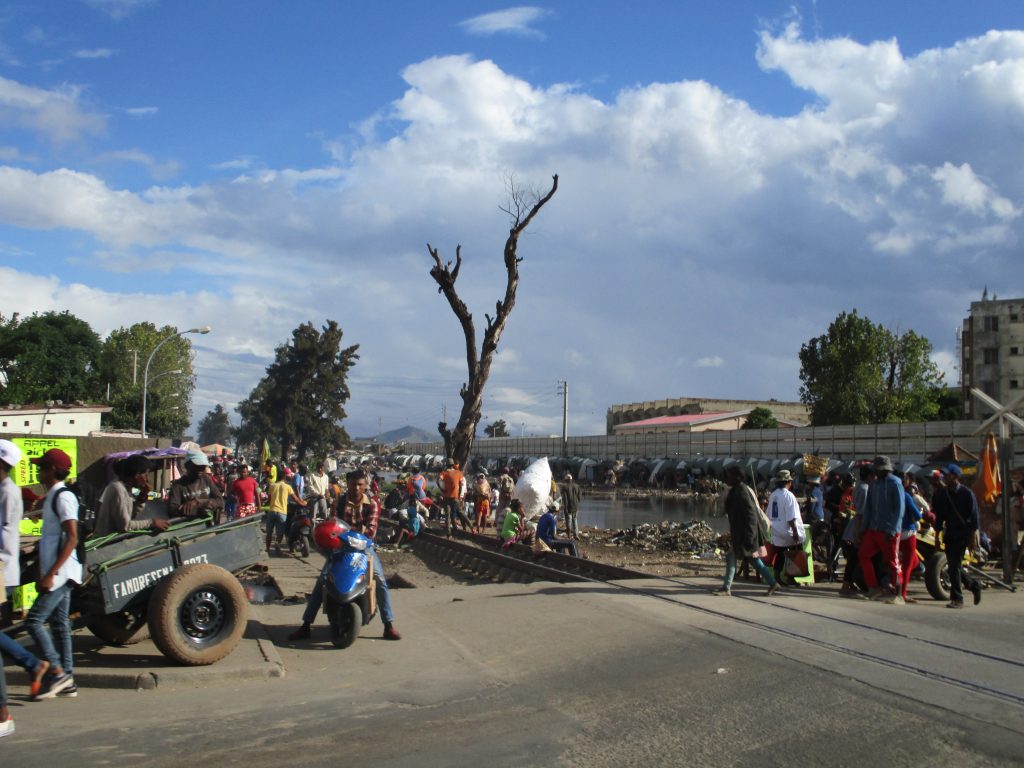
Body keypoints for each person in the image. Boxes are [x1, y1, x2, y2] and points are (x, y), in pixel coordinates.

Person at [289, 469, 400, 641]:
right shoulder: (339, 502)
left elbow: (370, 531)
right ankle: (305, 625)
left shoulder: (372, 504)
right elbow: (333, 525)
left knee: (380, 580)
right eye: (353, 484)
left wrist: (350, 532)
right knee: (323, 580)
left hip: (364, 549)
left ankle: (389, 625)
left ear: (365, 486)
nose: (356, 488)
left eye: (359, 485)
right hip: (341, 548)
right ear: (347, 484)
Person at [25, 448, 79, 700]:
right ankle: (67, 679)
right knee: (59, 625)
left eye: (42, 466)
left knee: (33, 621)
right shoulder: (52, 497)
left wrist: (51, 574)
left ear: (53, 471)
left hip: (62, 573)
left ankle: (57, 671)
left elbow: (72, 537)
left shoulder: (63, 497)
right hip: (57, 572)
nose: (38, 470)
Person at [931, 463, 983, 608]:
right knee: (955, 566)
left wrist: (973, 538)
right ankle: (973, 585)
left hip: (963, 533)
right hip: (950, 533)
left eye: (947, 474)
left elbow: (974, 518)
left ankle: (957, 599)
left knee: (954, 566)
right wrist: (937, 536)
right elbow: (939, 517)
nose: (944, 477)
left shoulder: (967, 494)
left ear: (955, 476)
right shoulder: (942, 494)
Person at [858, 455, 905, 603]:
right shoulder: (874, 485)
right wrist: (863, 529)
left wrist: (893, 529)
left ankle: (898, 595)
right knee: (863, 555)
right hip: (873, 529)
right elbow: (869, 509)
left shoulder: (895, 483)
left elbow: (899, 508)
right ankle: (873, 587)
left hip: (889, 530)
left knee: (893, 562)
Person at [93, 454, 169, 537]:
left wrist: (142, 498)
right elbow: (125, 526)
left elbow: (129, 516)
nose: (147, 479)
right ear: (137, 475)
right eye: (146, 475)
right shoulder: (118, 488)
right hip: (105, 544)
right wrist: (152, 523)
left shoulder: (128, 489)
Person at [766, 469, 804, 588]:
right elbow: (791, 517)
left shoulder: (773, 495)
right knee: (793, 553)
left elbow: (768, 514)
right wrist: (795, 532)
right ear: (789, 482)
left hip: (776, 529)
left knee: (780, 554)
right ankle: (791, 577)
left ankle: (777, 577)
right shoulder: (789, 495)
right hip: (787, 530)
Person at [167, 452, 225, 523]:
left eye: (203, 466)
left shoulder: (206, 479)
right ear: (187, 465)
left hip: (208, 528)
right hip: (188, 530)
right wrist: (185, 509)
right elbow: (171, 511)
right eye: (196, 466)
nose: (200, 469)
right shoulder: (178, 485)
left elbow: (220, 501)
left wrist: (199, 503)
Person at [895, 471, 923, 603]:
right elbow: (917, 515)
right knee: (907, 565)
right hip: (908, 533)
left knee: (897, 562)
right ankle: (903, 593)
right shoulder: (906, 496)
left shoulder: (889, 495)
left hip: (894, 533)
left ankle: (894, 585)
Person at [266, 471, 305, 555]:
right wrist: (303, 504)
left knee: (269, 532)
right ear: (284, 478)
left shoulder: (272, 486)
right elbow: (296, 499)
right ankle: (277, 545)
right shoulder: (288, 487)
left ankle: (267, 549)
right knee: (280, 533)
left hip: (272, 510)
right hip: (282, 512)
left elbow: (269, 499)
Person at [438, 460, 472, 534]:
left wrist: (442, 490)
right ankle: (472, 527)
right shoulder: (459, 473)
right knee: (461, 512)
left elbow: (439, 480)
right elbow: (463, 484)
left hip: (446, 497)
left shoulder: (444, 473)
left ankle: (448, 533)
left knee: (448, 515)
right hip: (456, 497)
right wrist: (461, 495)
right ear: (453, 465)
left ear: (446, 465)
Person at [560, 472, 582, 541]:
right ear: (571, 479)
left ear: (566, 480)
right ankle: (576, 535)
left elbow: (565, 499)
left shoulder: (564, 487)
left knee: (568, 521)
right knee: (575, 520)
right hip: (575, 506)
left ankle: (569, 536)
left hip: (568, 507)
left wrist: (565, 508)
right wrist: (577, 503)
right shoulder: (577, 486)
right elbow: (579, 497)